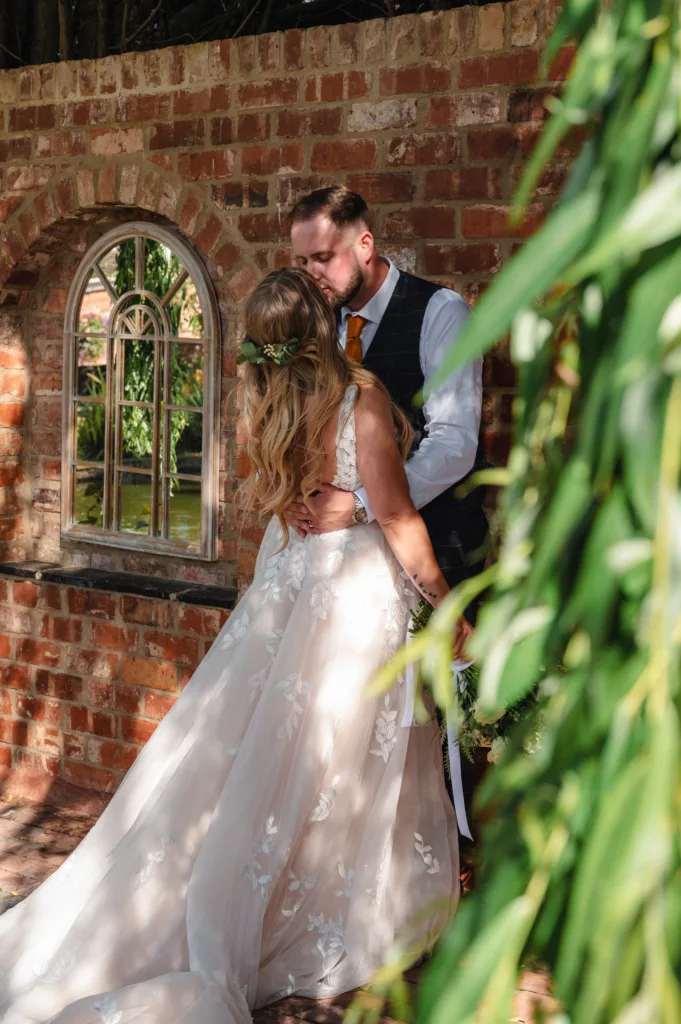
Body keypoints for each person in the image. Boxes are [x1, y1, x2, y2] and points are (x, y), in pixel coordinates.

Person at [0, 268, 459, 1024]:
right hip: (349, 601)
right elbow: (402, 523)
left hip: (289, 592)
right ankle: (339, 915)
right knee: (338, 763)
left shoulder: (267, 397)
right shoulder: (362, 402)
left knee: (267, 763)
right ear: (325, 323)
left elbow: (286, 503)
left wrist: (337, 509)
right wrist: (451, 610)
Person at [287, 186, 489, 605]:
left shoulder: (441, 313)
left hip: (436, 551)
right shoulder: (314, 325)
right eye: (303, 262)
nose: (312, 274)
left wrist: (362, 506)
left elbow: (454, 444)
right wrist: (293, 500)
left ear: (365, 245)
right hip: (338, 572)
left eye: (323, 258)